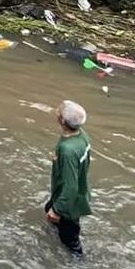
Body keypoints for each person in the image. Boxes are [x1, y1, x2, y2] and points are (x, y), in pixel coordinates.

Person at [45, 100, 92, 256]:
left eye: (60, 111)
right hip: (74, 190)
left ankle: (79, 266)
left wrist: (57, 210)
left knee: (71, 240)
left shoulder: (67, 150)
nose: (57, 111)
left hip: (69, 202)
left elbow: (70, 187)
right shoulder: (81, 135)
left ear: (63, 121)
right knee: (48, 208)